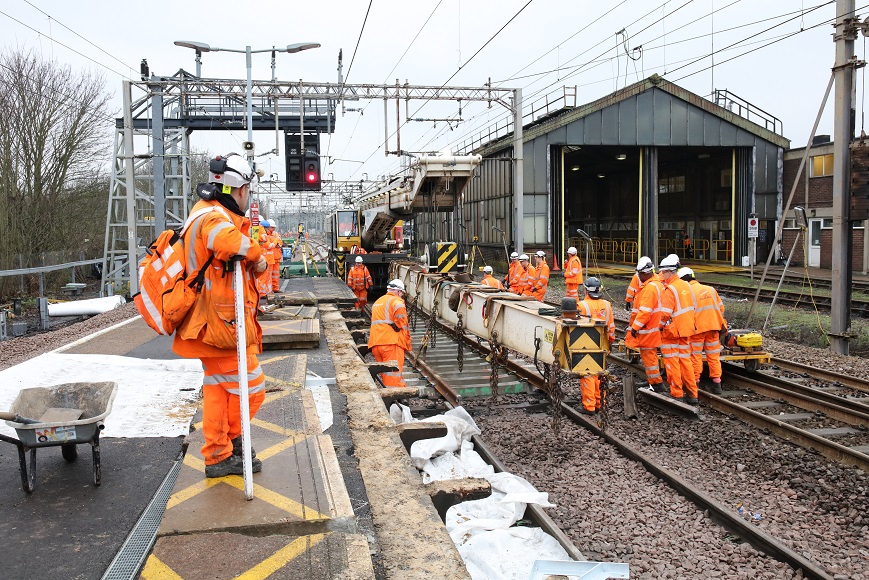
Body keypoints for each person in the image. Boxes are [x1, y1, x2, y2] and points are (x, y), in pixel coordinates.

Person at [173, 153, 269, 478]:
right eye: (248, 190)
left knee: (218, 389)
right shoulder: (214, 218)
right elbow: (225, 242)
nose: (248, 196)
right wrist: (257, 256)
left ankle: (218, 454)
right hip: (216, 324)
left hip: (211, 323)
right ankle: (232, 441)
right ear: (239, 189)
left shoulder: (208, 212)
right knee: (252, 387)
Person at [658, 254, 699, 404]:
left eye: (663, 272)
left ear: (669, 272)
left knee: (672, 361)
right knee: (686, 361)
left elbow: (665, 314)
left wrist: (659, 328)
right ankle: (693, 394)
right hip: (687, 329)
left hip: (672, 332)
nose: (662, 275)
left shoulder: (670, 289)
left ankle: (676, 393)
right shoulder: (687, 286)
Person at [679, 267, 726, 394]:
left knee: (695, 355)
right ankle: (717, 384)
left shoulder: (687, 292)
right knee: (713, 356)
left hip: (697, 330)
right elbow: (721, 309)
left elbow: (685, 312)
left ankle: (695, 382)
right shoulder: (710, 289)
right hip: (714, 327)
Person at [624, 256, 665, 393]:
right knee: (650, 356)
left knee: (649, 357)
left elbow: (645, 312)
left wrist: (635, 327)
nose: (638, 277)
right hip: (654, 328)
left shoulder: (649, 289)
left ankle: (656, 384)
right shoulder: (657, 284)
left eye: (640, 274)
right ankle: (654, 382)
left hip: (647, 330)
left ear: (646, 273)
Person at [575, 277, 615, 415]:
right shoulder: (607, 305)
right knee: (599, 374)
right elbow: (611, 327)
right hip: (603, 344)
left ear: (586, 290)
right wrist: (610, 342)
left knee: (587, 374)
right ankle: (599, 403)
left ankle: (589, 406)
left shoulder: (582, 306)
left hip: (587, 346)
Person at [368, 279, 412, 388]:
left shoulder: (378, 302)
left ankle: (397, 399)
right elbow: (402, 323)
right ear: (398, 291)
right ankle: (393, 401)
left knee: (387, 375)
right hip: (390, 345)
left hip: (376, 344)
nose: (401, 296)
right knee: (393, 376)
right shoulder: (397, 301)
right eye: (401, 293)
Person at [256, 220, 274, 297]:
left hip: (267, 259)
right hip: (263, 258)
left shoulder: (260, 233)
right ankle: (261, 293)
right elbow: (269, 245)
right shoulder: (259, 231)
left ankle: (265, 291)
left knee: (266, 277)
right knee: (262, 277)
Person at [267, 221, 283, 293]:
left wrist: (276, 243)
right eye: (272, 227)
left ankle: (275, 288)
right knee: (268, 275)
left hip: (276, 257)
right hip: (270, 258)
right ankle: (269, 290)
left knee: (276, 275)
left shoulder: (276, 234)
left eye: (274, 227)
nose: (273, 229)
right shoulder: (266, 234)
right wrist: (275, 242)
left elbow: (280, 243)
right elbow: (271, 244)